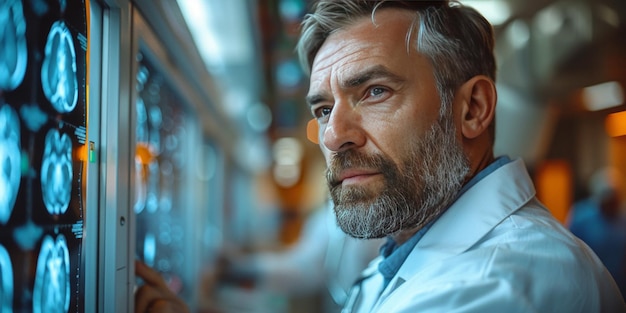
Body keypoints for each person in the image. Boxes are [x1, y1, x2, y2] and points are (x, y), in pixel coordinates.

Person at [135, 1, 626, 312]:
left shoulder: (503, 283)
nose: (332, 137)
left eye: (374, 92)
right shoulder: (409, 240)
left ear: (472, 109)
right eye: (324, 109)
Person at [216, 200, 384, 312]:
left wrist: (239, 268)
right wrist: (240, 267)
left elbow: (303, 268)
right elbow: (303, 265)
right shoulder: (335, 216)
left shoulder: (369, 214)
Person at [568, 167, 626, 300]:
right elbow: (572, 251)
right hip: (591, 284)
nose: (612, 204)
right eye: (608, 199)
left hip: (620, 284)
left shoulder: (623, 218)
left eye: (616, 199)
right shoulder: (581, 217)